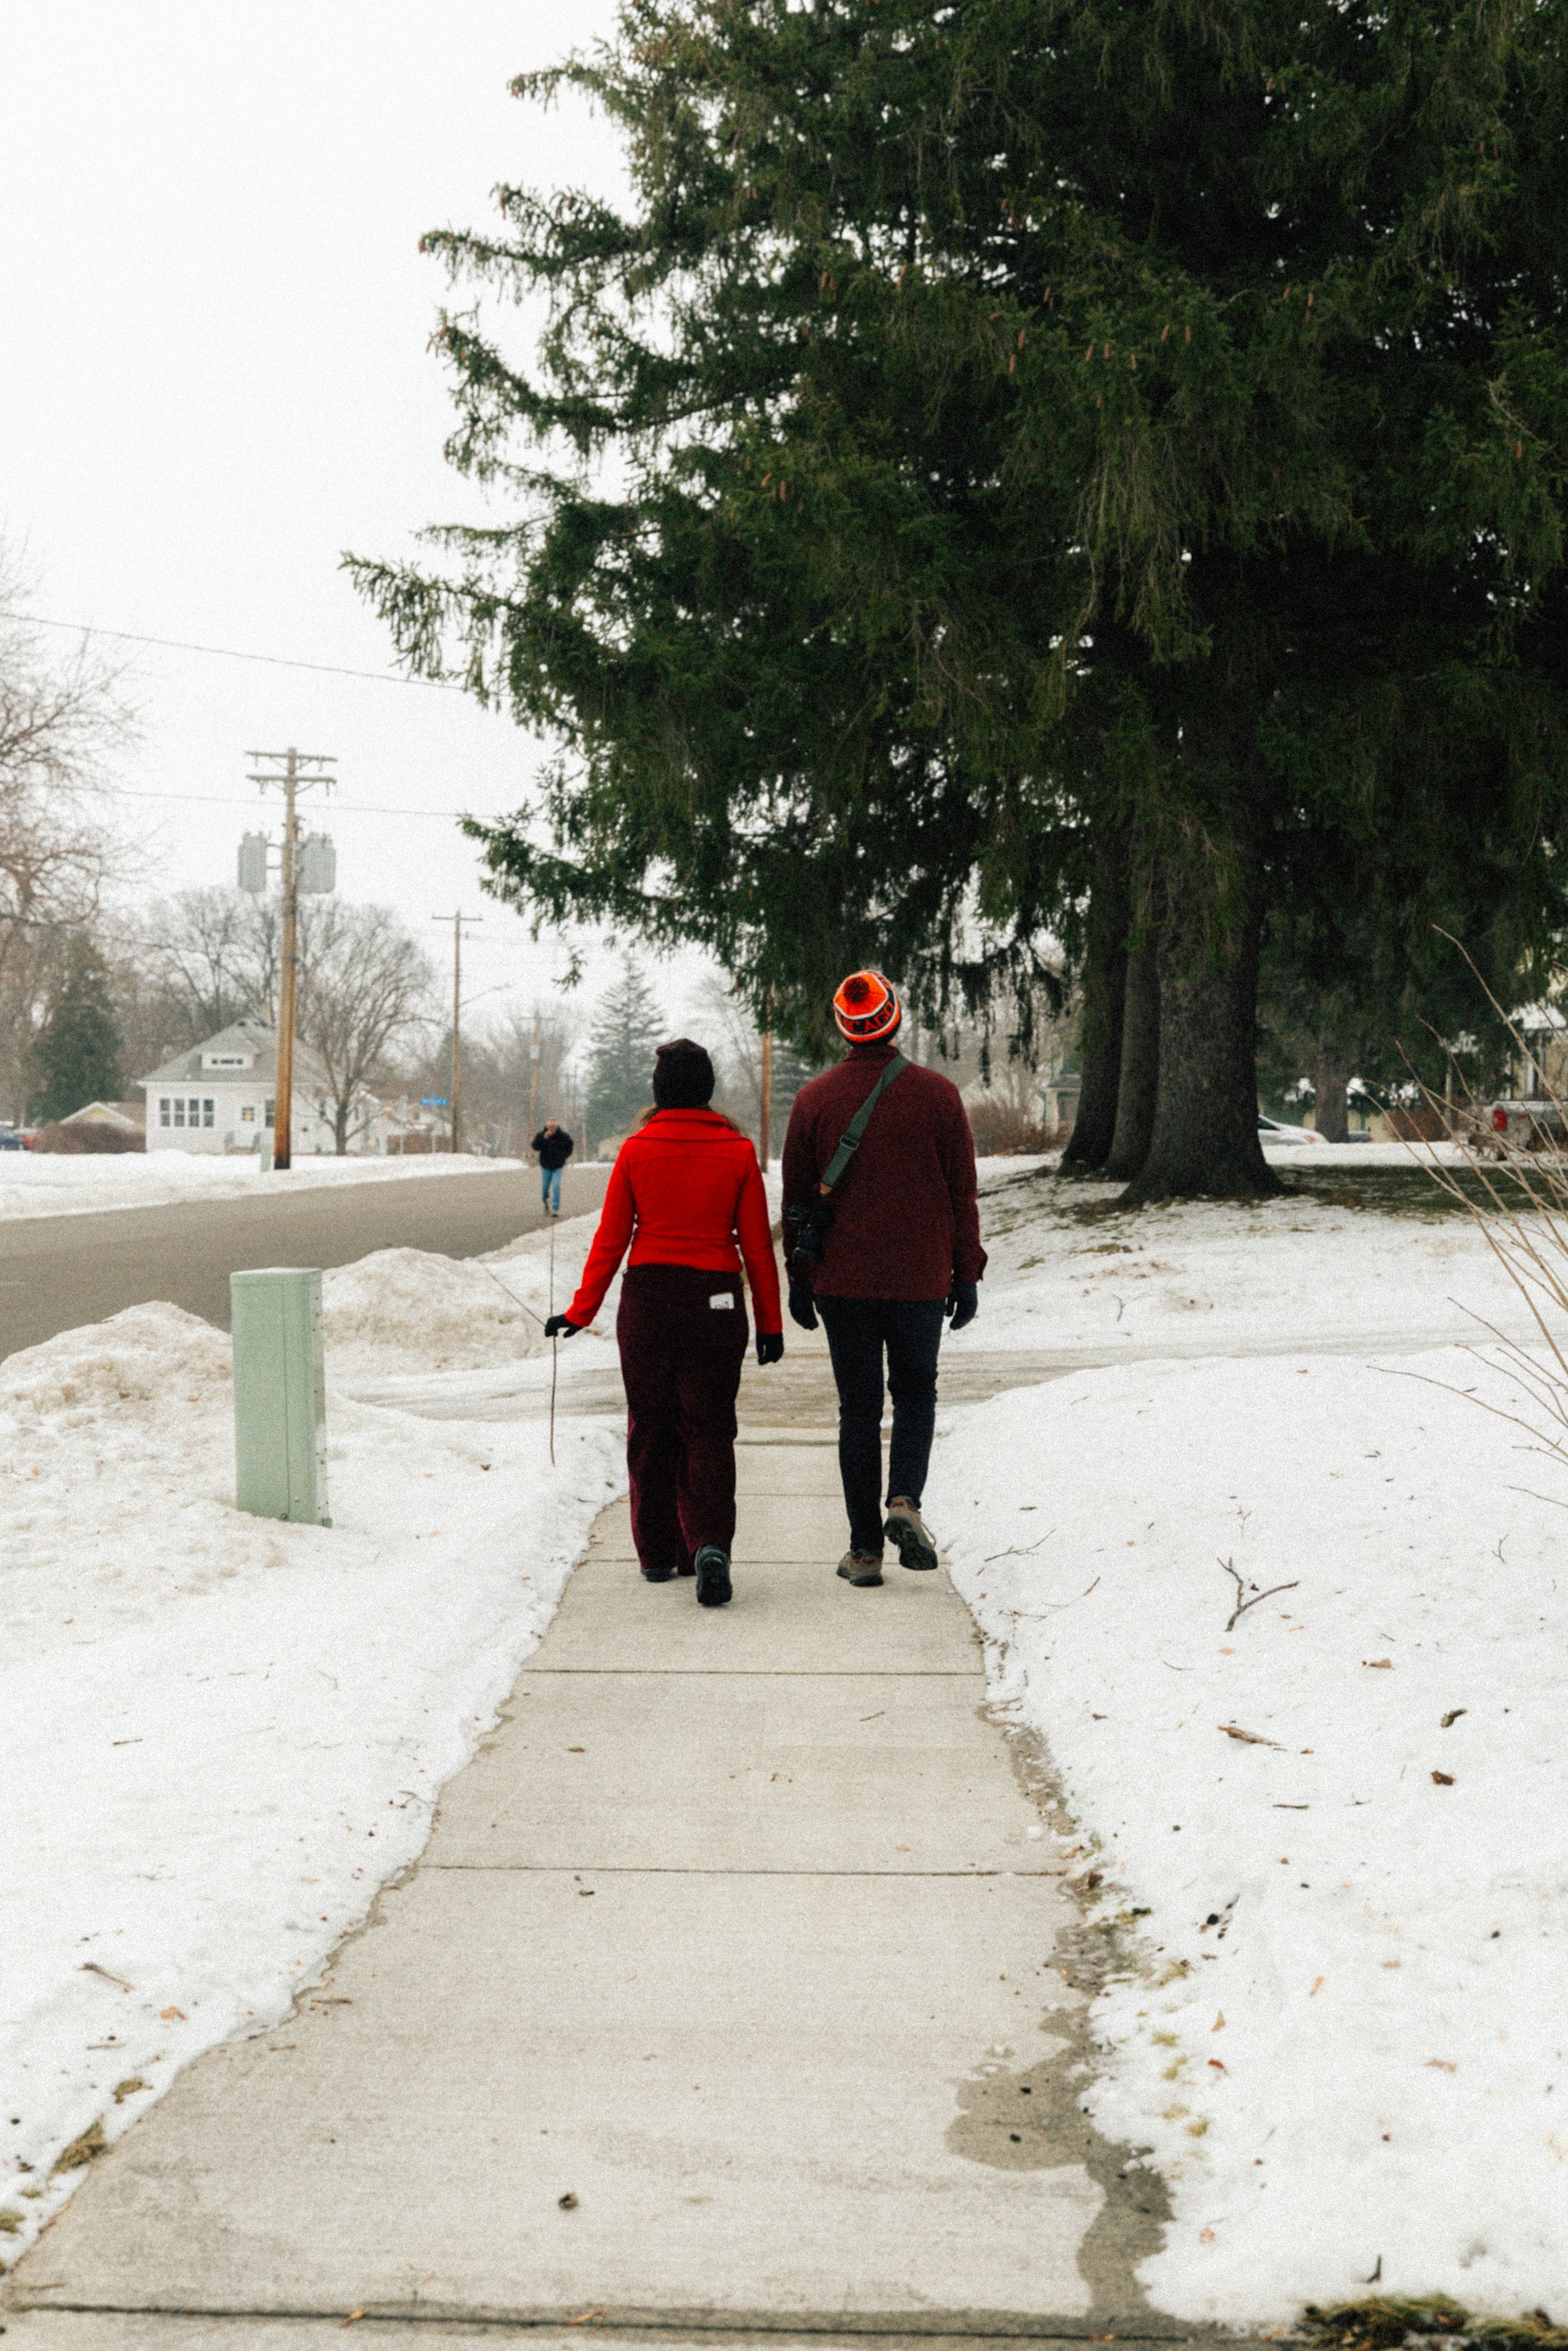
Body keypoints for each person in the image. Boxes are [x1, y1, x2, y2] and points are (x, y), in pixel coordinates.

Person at [545, 1038, 783, 1606]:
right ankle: (708, 1545)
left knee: (650, 1425)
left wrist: (580, 1311)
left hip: (648, 1300)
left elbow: (611, 1240)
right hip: (716, 1301)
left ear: (658, 1091)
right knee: (709, 1427)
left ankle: (656, 1554)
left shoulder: (636, 1150)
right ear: (707, 1090)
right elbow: (757, 1247)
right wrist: (771, 1324)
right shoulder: (739, 1152)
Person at [782, 969, 984, 1588]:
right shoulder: (939, 1096)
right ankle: (904, 1501)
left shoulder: (814, 1100)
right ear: (893, 1018)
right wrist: (966, 1271)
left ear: (844, 1028)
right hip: (921, 1277)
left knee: (859, 1408)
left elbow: (795, 1200)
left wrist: (799, 1276)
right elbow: (961, 1194)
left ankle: (865, 1551)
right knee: (916, 1394)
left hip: (843, 1281)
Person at [532, 1118, 574, 1216]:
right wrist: (544, 1138)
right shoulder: (541, 1135)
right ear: (546, 1127)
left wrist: (563, 1157)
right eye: (549, 1127)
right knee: (545, 1188)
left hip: (558, 1166)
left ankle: (555, 1208)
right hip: (545, 1166)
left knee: (556, 1186)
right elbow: (535, 1147)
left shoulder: (563, 1136)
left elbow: (570, 1147)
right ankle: (545, 1202)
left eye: (553, 1127)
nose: (551, 1129)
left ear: (556, 1126)